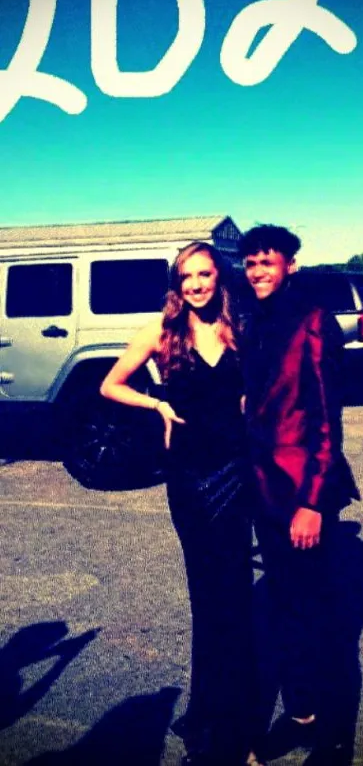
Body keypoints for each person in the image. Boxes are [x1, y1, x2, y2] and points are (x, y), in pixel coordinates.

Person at [100, 242, 256, 766]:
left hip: (237, 473)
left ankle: (228, 720)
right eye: (187, 276)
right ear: (176, 283)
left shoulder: (239, 329)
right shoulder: (161, 333)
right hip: (190, 478)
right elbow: (111, 384)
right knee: (209, 601)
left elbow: (250, 394)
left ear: (219, 277)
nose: (196, 284)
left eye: (205, 274)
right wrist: (157, 402)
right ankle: (212, 728)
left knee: (234, 599)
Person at [238, 225, 360, 762]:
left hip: (303, 491)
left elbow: (326, 419)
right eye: (251, 263)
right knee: (286, 611)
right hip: (264, 490)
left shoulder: (312, 319)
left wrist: (312, 502)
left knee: (320, 617)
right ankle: (302, 715)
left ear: (291, 264)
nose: (259, 271)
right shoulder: (255, 320)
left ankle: (333, 736)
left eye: (268, 262)